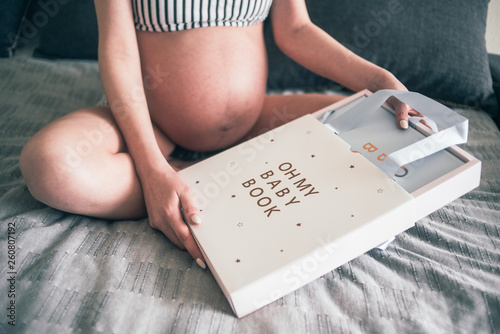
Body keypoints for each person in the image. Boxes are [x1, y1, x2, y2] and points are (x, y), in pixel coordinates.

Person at [19, 0, 418, 269]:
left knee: (382, 129)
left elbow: (295, 30)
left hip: (258, 123)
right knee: (51, 167)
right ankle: (177, 179)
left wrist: (377, 81)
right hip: (156, 130)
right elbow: (119, 53)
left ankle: (207, 181)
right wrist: (152, 168)